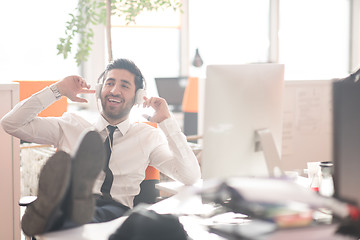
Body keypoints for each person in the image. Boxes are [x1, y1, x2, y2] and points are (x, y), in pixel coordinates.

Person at [1, 58, 201, 236]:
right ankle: (67, 204)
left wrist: (166, 121)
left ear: (138, 97)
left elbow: (190, 176)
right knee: (77, 216)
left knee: (167, 227)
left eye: (124, 85)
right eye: (110, 83)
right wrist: (58, 90)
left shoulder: (148, 135)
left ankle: (56, 213)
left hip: (118, 213)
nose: (114, 90)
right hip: (77, 211)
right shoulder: (71, 124)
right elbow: (11, 124)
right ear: (99, 90)